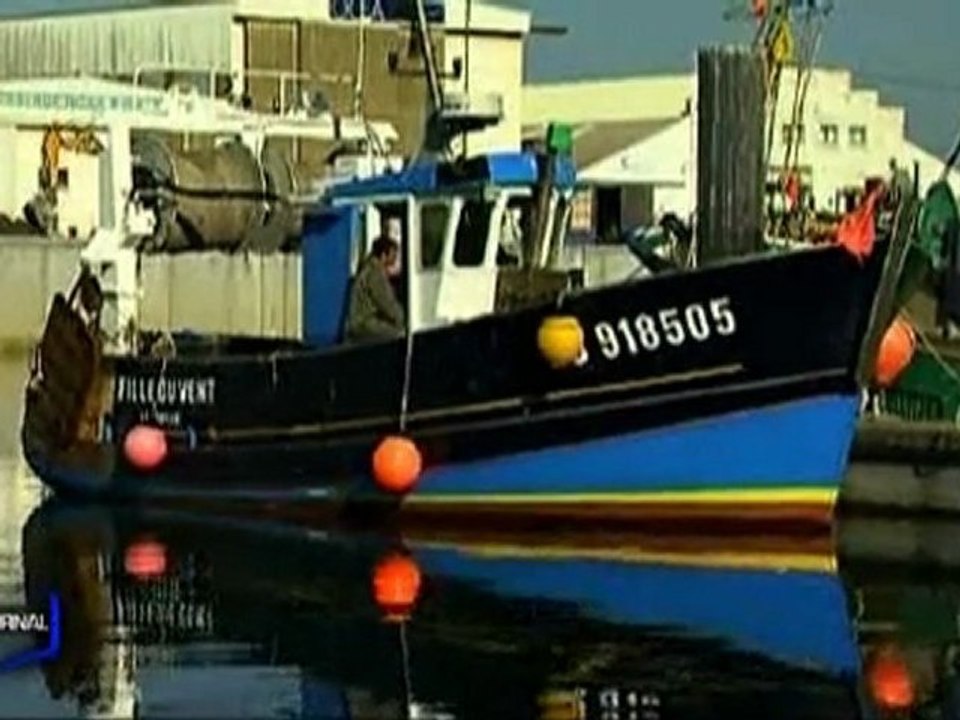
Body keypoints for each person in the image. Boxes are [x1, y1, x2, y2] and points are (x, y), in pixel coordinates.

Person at [344, 235, 405, 342]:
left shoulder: (368, 268)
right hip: (364, 323)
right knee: (400, 333)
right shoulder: (375, 273)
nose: (396, 258)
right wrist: (404, 320)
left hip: (359, 322)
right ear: (383, 255)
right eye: (393, 254)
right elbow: (386, 302)